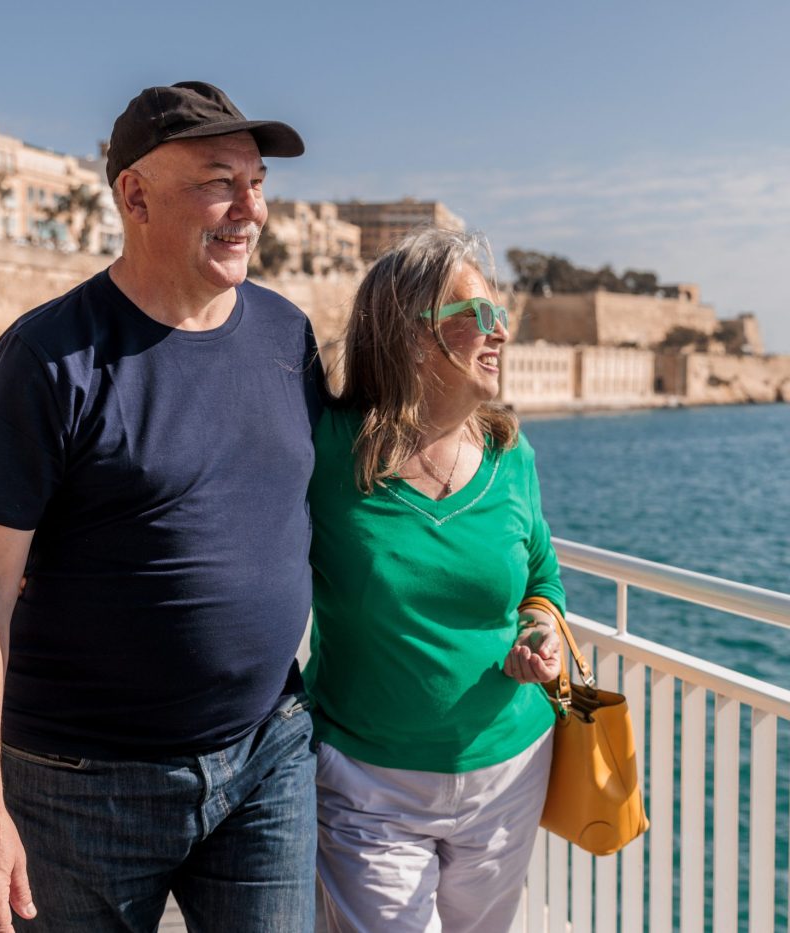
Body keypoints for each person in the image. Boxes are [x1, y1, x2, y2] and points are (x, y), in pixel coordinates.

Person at [0, 81, 324, 933]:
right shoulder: (47, 360)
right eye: (218, 182)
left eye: (257, 183)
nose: (250, 209)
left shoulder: (287, 335)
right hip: (78, 789)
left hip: (266, 758)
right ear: (135, 196)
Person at [304, 227, 565, 933]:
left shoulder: (511, 455)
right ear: (412, 335)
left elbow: (541, 576)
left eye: (499, 313)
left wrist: (541, 632)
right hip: (367, 783)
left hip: (510, 772)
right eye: (478, 314)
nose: (501, 330)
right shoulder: (326, 450)